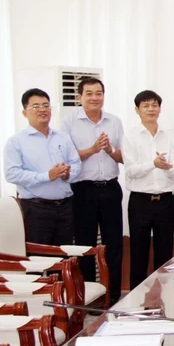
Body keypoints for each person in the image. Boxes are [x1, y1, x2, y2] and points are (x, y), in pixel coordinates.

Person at [61, 77, 125, 304]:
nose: (94, 98)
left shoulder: (114, 121)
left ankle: (114, 296)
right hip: (82, 190)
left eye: (98, 93)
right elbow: (66, 159)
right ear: (80, 97)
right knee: (85, 246)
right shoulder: (69, 123)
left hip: (110, 188)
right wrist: (92, 149)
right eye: (89, 93)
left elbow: (122, 157)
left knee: (113, 245)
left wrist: (108, 149)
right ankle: (86, 298)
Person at [4, 88, 82, 246]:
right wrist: (47, 176)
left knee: (64, 258)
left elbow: (76, 163)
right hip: (36, 209)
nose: (42, 110)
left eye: (46, 105)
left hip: (66, 207)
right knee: (38, 260)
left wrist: (68, 174)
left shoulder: (63, 137)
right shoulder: (16, 142)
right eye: (36, 106)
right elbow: (11, 174)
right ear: (24, 113)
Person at [122, 90, 174, 289]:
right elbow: (130, 170)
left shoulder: (170, 136)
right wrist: (153, 164)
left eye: (154, 105)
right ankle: (135, 303)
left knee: (164, 254)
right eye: (146, 106)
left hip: (165, 201)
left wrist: (169, 167)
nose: (151, 109)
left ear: (160, 109)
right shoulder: (130, 136)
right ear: (137, 110)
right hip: (140, 201)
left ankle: (163, 298)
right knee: (138, 253)